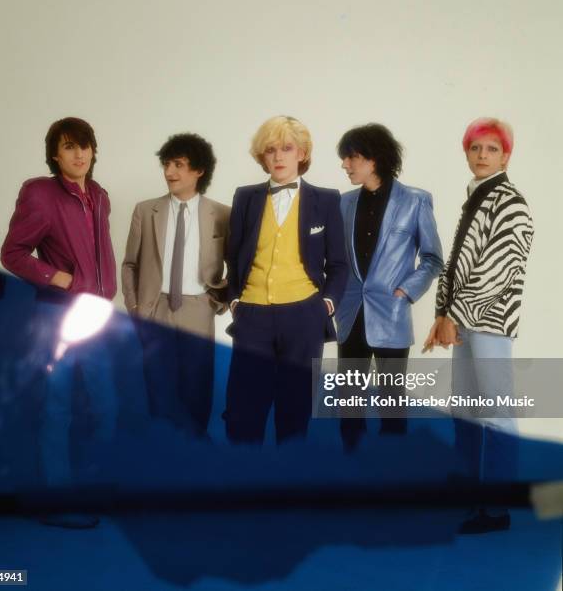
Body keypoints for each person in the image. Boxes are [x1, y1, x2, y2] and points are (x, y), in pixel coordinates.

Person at [1, 116, 118, 528]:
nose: (79, 153)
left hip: (97, 317)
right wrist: (57, 277)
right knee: (58, 408)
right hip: (57, 317)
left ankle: (93, 489)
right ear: (55, 154)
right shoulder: (41, 194)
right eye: (69, 146)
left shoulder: (99, 196)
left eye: (84, 145)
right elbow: (12, 253)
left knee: (105, 405)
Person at [423, 117, 534, 534]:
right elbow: (456, 264)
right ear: (466, 153)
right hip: (464, 320)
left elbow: (497, 271)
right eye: (476, 148)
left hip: (488, 321)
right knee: (466, 408)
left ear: (506, 155)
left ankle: (498, 506)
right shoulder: (475, 198)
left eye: (491, 149)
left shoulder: (510, 201)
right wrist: (440, 314)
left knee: (496, 410)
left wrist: (454, 317)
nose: (482, 155)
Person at [224, 115, 348, 445]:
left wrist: (325, 306)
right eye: (270, 150)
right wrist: (235, 300)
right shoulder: (245, 198)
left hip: (304, 316)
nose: (278, 157)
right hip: (252, 315)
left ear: (302, 153)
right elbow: (232, 255)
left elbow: (338, 264)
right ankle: (244, 491)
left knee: (295, 414)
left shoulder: (327, 199)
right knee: (243, 413)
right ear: (261, 156)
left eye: (287, 148)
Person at [335, 123, 443, 451]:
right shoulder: (343, 203)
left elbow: (432, 259)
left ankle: (392, 473)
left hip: (392, 314)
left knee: (392, 401)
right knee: (348, 401)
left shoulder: (415, 200)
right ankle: (351, 471)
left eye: (352, 157)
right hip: (351, 313)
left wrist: (406, 291)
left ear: (375, 159)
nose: (345, 165)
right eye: (345, 158)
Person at [122, 133, 230, 437]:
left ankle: (195, 459)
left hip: (198, 309)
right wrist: (134, 307)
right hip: (155, 308)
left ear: (199, 170)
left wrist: (218, 300)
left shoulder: (221, 214)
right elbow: (130, 264)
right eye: (167, 164)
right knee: (158, 386)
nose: (170, 172)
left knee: (198, 388)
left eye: (179, 165)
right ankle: (164, 457)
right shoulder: (145, 211)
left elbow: (239, 263)